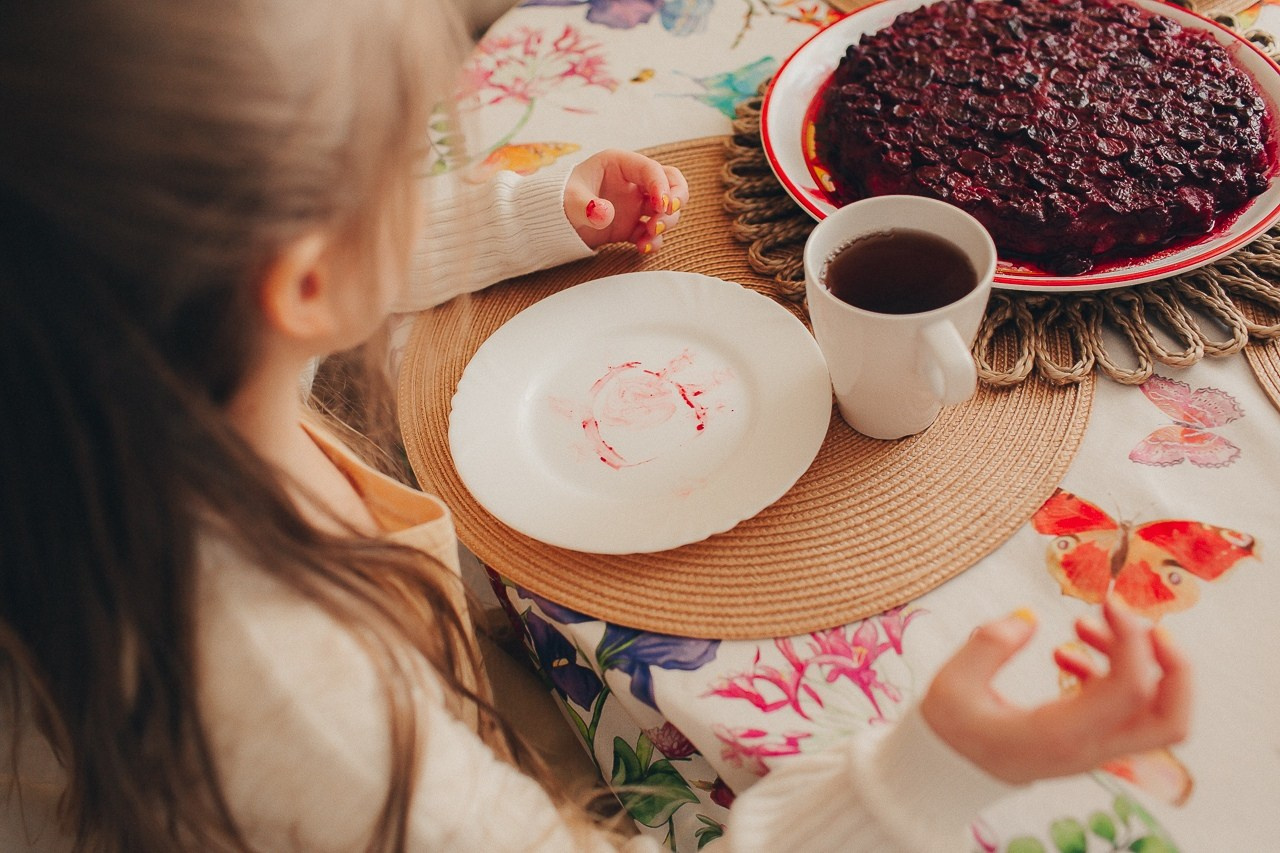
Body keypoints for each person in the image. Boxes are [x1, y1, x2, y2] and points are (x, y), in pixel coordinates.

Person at [0, 1, 1191, 851]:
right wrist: (933, 764)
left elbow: (314, 252)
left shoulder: (89, 330)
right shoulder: (316, 720)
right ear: (301, 283)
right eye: (397, 156)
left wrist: (530, 215)